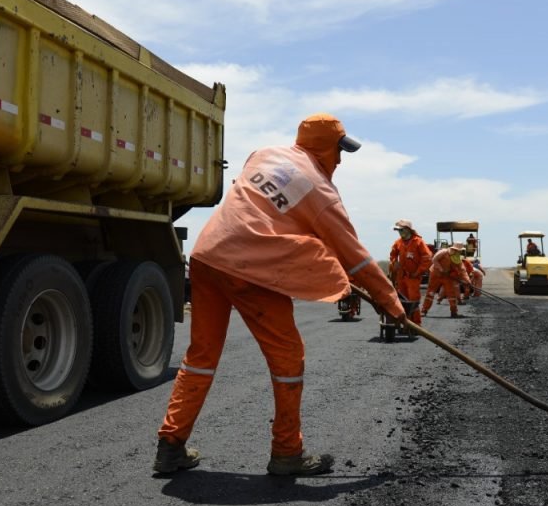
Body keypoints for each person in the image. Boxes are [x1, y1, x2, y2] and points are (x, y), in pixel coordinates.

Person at [154, 113, 407, 476]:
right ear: (326, 148)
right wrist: (391, 303)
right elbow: (356, 257)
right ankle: (287, 452)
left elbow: (266, 209)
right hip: (250, 267)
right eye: (339, 151)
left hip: (208, 253)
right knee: (288, 358)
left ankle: (170, 445)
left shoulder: (264, 153)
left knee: (201, 356)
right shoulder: (321, 192)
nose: (340, 159)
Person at [389, 219, 433, 325]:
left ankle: (416, 324)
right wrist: (395, 262)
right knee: (402, 300)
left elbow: (427, 258)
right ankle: (404, 323)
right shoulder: (398, 242)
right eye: (398, 230)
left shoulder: (418, 242)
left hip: (413, 277)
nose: (400, 232)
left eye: (401, 230)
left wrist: (418, 272)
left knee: (413, 300)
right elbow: (393, 254)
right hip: (401, 277)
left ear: (408, 230)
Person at [421, 242, 469, 318]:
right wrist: (441, 269)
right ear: (454, 249)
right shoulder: (443, 252)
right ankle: (424, 311)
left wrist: (467, 281)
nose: (460, 252)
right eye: (459, 250)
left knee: (451, 294)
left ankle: (454, 312)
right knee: (431, 293)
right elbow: (434, 260)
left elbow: (462, 270)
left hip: (447, 277)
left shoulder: (457, 258)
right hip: (435, 275)